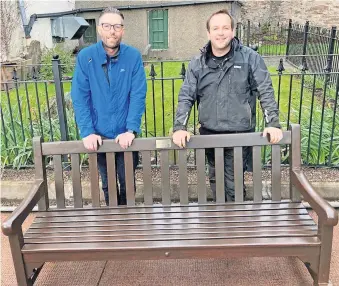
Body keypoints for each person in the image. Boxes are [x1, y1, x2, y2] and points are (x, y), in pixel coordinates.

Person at [172, 9, 283, 202]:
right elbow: (186, 96)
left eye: (225, 28)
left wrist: (273, 122)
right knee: (216, 180)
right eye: (215, 28)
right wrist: (179, 127)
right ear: (208, 33)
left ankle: (235, 223)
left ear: (232, 32)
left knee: (234, 184)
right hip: (210, 134)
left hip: (239, 133)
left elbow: (265, 90)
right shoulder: (197, 63)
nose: (220, 32)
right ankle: (224, 221)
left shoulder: (250, 58)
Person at [71, 7, 147, 205]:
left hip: (125, 136)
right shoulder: (86, 57)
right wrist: (87, 132)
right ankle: (114, 223)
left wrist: (131, 129)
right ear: (99, 29)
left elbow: (138, 94)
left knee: (128, 182)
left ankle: (129, 222)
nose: (112, 31)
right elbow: (80, 97)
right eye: (107, 25)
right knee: (108, 184)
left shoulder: (133, 56)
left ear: (122, 30)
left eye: (117, 26)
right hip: (100, 136)